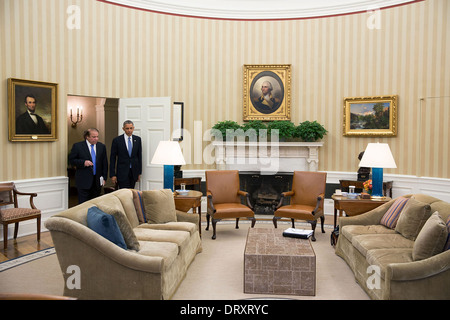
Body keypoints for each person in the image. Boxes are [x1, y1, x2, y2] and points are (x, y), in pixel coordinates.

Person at [69, 128, 108, 204]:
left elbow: (105, 163)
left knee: (95, 203)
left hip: (97, 181)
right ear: (87, 137)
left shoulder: (101, 146)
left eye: (97, 136)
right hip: (83, 181)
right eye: (94, 137)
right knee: (83, 204)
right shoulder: (78, 146)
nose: (96, 139)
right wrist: (83, 162)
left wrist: (104, 177)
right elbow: (72, 160)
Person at [110, 120, 142, 189]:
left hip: (133, 172)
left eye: (131, 128)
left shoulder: (137, 139)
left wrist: (139, 173)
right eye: (127, 128)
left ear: (133, 128)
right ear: (123, 129)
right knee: (124, 193)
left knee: (132, 192)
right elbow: (112, 158)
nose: (129, 130)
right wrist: (112, 175)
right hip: (122, 172)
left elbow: (139, 157)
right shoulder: (117, 140)